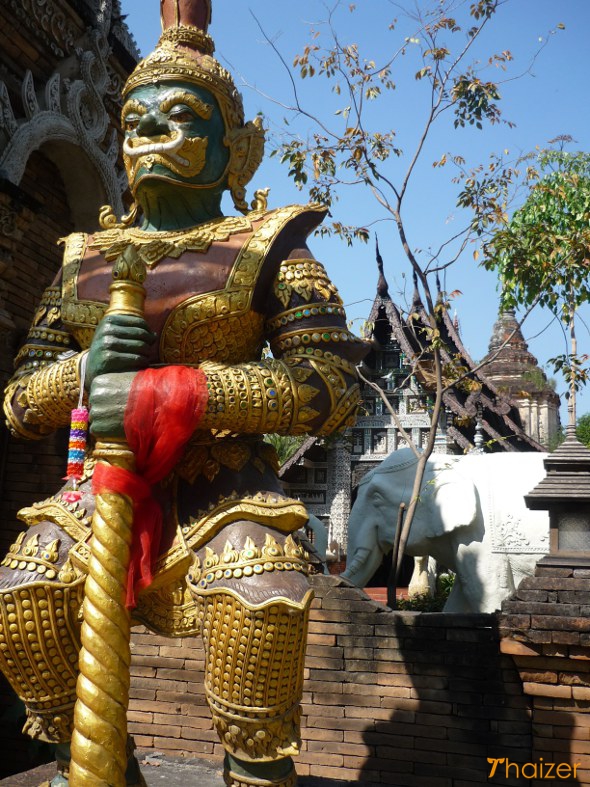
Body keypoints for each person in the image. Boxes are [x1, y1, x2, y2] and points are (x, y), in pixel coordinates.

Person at [0, 2, 365, 785]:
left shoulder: (272, 248)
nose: (147, 140)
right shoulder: (82, 259)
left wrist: (191, 391)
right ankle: (90, 763)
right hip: (104, 479)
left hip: (222, 485)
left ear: (237, 151)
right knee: (28, 586)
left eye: (178, 121)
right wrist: (85, 369)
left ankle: (254, 769)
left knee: (260, 591)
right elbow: (19, 400)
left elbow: (331, 385)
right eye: (133, 125)